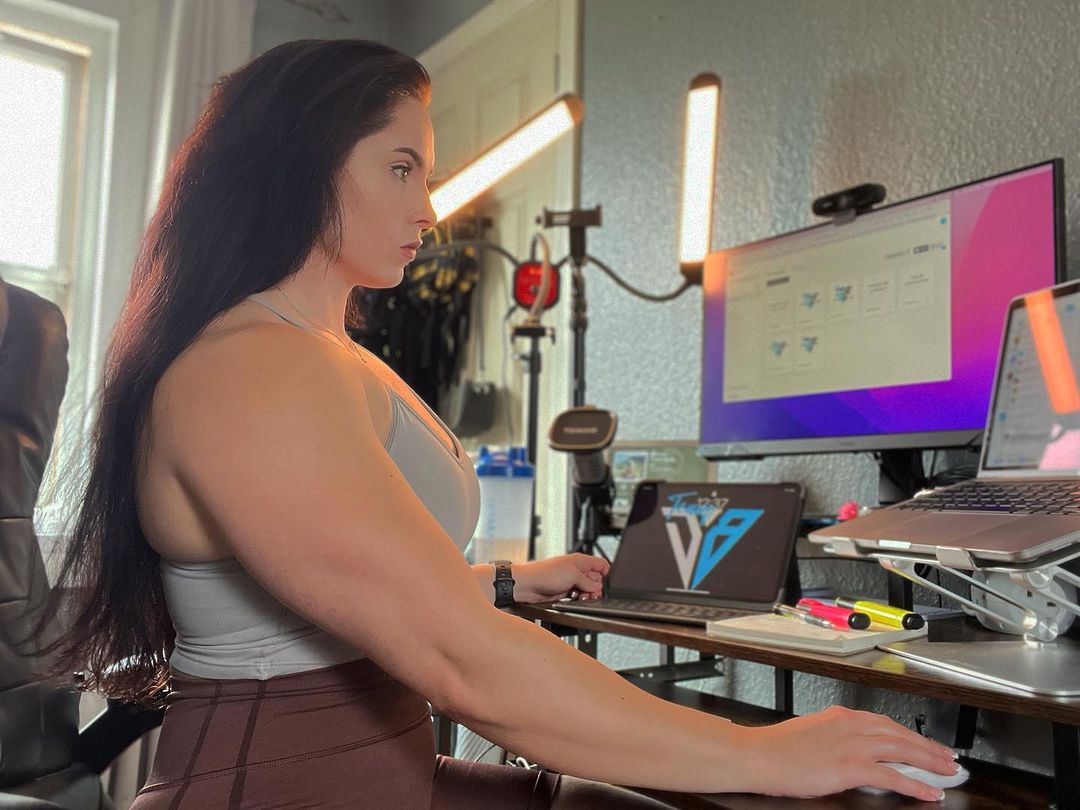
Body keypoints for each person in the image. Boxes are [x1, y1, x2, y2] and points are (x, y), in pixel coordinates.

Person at [45, 40, 960, 808]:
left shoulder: (327, 351)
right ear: (299, 166)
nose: (428, 207)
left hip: (389, 774)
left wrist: (506, 581)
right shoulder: (250, 368)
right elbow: (457, 657)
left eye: (426, 173)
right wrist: (763, 753)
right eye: (399, 167)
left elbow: (348, 579)